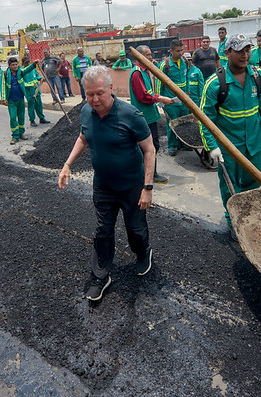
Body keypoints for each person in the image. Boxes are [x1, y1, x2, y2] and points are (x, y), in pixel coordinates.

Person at [58, 66, 156, 302]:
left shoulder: (131, 115)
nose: (94, 99)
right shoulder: (85, 112)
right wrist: (67, 164)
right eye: (89, 94)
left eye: (99, 93)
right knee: (103, 230)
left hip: (132, 186)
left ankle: (143, 252)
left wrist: (148, 188)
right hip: (103, 186)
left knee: (135, 229)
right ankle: (100, 276)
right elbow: (83, 138)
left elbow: (149, 150)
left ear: (111, 89)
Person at [200, 34, 261, 234]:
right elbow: (205, 119)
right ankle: (234, 222)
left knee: (257, 184)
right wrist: (212, 147)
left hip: (254, 144)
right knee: (231, 188)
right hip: (229, 148)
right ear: (227, 53)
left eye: (247, 50)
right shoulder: (215, 83)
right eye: (239, 51)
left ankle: (255, 219)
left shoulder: (258, 77)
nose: (245, 55)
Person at [129, 44, 173, 184]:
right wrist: (161, 99)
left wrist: (158, 99)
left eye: (150, 55)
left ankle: (148, 173)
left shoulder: (145, 71)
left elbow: (149, 92)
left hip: (149, 114)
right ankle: (148, 175)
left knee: (153, 145)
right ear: (139, 56)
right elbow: (143, 96)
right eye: (147, 55)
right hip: (144, 116)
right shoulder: (136, 73)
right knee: (149, 146)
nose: (150, 57)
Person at [157, 39, 191, 155]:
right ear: (171, 51)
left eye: (182, 50)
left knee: (185, 121)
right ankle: (172, 146)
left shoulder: (185, 61)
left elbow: (187, 79)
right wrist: (160, 100)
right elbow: (159, 83)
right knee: (172, 123)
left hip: (184, 100)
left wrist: (187, 92)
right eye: (177, 51)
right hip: (171, 101)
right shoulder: (164, 65)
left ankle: (185, 143)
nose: (180, 53)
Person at [0, 57, 34, 144]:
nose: (15, 66)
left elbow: (27, 70)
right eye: (13, 65)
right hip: (11, 101)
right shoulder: (5, 74)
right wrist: (4, 99)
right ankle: (15, 136)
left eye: (16, 64)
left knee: (21, 117)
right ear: (9, 66)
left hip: (20, 99)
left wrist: (34, 64)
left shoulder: (20, 72)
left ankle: (21, 133)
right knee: (13, 117)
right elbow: (2, 87)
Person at [20, 56, 50, 127]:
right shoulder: (22, 71)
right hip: (29, 91)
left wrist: (42, 79)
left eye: (28, 62)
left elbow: (36, 77)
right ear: (23, 63)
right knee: (31, 106)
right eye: (26, 62)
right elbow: (21, 82)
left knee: (39, 104)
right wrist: (29, 85)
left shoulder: (33, 69)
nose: (28, 64)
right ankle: (32, 120)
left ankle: (41, 118)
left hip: (36, 90)